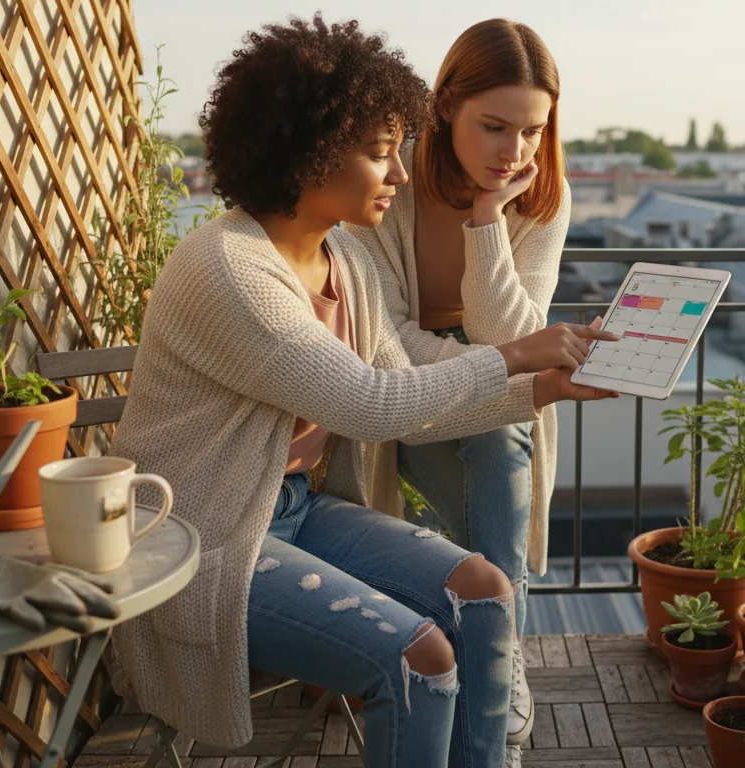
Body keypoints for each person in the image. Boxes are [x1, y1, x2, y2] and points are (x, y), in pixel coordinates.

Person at [105, 16, 616, 768]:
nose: (402, 174)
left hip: (296, 508)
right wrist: (513, 357)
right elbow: (373, 404)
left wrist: (544, 388)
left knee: (484, 593)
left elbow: (406, 382)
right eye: (381, 154)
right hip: (204, 535)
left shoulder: (342, 257)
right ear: (308, 152)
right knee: (419, 659)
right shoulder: (231, 271)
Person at [347, 19, 567, 751]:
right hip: (404, 383)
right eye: (495, 127)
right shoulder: (390, 176)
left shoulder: (540, 196)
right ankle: (503, 669)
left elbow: (509, 337)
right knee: (495, 487)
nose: (515, 152)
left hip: (490, 384)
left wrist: (487, 218)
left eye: (533, 131)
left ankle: (493, 667)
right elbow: (390, 339)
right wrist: (488, 370)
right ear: (444, 106)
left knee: (498, 465)